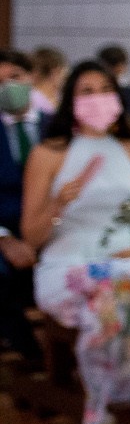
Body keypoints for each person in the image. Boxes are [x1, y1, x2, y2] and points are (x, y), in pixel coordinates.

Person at [20, 60, 130, 424]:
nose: (97, 98)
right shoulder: (49, 154)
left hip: (128, 257)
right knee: (109, 295)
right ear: (71, 100)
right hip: (68, 263)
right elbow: (31, 235)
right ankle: (107, 409)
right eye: (86, 91)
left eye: (104, 89)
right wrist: (57, 205)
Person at [0, 49, 45, 368]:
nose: (8, 87)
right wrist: (4, 238)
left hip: (52, 225)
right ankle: (31, 353)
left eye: (14, 77)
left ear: (31, 78)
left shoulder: (57, 127)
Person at [28, 46, 66, 117]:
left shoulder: (61, 97)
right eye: (64, 73)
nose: (65, 78)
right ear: (56, 71)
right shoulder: (31, 98)